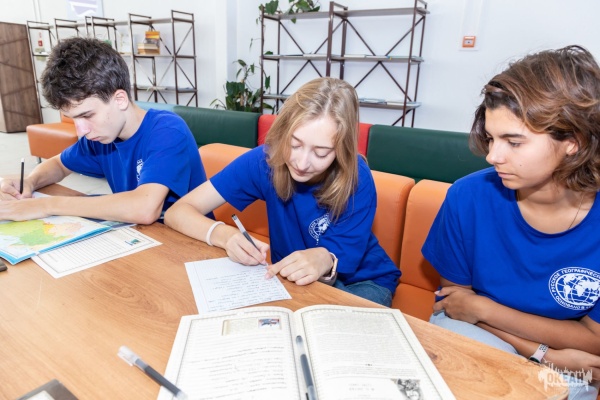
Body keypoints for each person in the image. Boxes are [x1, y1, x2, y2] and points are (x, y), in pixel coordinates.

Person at [422, 45, 600, 398]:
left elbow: (594, 340)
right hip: (484, 334)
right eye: (491, 138)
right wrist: (543, 353)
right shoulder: (467, 196)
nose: (492, 156)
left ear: (573, 141)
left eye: (513, 142)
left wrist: (485, 308)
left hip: (570, 356)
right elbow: (457, 305)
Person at [165, 77, 400, 306]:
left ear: (341, 150)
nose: (302, 163)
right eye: (294, 144)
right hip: (295, 281)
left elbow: (339, 261)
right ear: (283, 132)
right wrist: (225, 236)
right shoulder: (265, 160)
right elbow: (178, 212)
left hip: (364, 282)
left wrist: (325, 257)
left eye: (321, 153)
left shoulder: (357, 177)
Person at [0, 37, 208, 225]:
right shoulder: (100, 136)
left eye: (87, 115)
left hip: (188, 242)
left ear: (120, 99)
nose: (81, 131)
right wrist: (30, 181)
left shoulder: (168, 130)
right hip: (139, 236)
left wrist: (46, 205)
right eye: (73, 119)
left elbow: (144, 209)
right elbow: (59, 164)